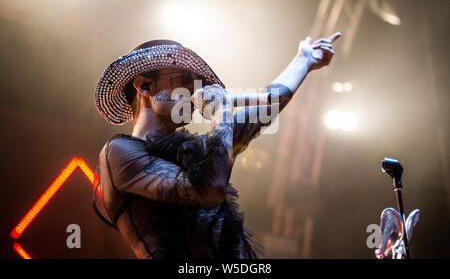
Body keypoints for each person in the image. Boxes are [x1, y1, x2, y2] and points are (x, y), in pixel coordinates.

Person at [93, 34, 341, 259]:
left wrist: (304, 61)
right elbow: (209, 191)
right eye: (184, 80)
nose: (194, 91)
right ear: (144, 86)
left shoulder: (196, 152)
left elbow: (265, 107)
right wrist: (220, 111)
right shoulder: (119, 153)